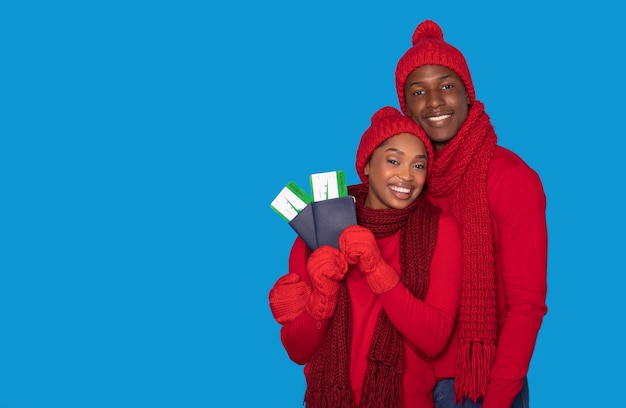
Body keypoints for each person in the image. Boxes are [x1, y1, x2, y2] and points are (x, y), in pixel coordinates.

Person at [394, 19, 548, 408]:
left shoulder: (511, 177)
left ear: (468, 93)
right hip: (408, 384)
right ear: (406, 107)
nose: (433, 102)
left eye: (446, 86)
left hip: (479, 385)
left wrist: (495, 399)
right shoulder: (406, 183)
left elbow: (526, 306)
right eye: (418, 92)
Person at [268, 106, 463, 407]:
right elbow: (297, 351)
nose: (407, 176)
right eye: (394, 161)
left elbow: (435, 339)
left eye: (419, 165)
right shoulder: (316, 230)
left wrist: (377, 270)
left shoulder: (440, 229)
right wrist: (321, 300)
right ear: (368, 165)